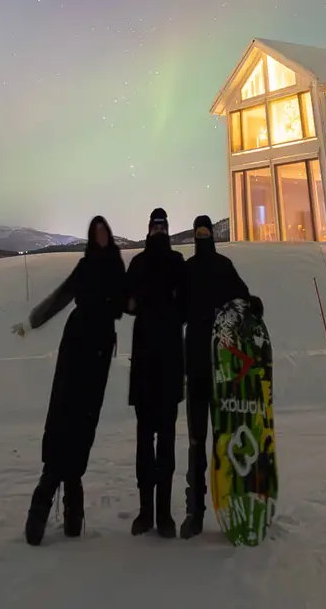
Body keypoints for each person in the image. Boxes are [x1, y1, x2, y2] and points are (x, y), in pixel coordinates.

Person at [12, 214, 126, 544]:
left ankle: (71, 498)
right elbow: (61, 296)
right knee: (63, 409)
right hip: (77, 342)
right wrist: (32, 321)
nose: (101, 236)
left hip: (100, 348)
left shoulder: (116, 266)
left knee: (85, 417)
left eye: (105, 231)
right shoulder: (86, 265)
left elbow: (129, 300)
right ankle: (49, 492)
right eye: (97, 232)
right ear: (92, 236)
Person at [180, 213, 259, 538]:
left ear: (211, 234)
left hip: (223, 366)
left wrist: (252, 305)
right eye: (197, 232)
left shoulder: (224, 267)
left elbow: (241, 298)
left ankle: (231, 507)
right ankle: (195, 511)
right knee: (196, 441)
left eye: (205, 231)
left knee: (225, 438)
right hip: (196, 365)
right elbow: (177, 311)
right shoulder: (187, 270)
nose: (202, 236)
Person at [123, 206, 187, 536]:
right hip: (145, 364)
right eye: (155, 226)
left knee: (167, 442)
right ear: (149, 229)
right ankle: (145, 511)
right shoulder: (138, 263)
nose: (159, 231)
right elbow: (126, 301)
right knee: (144, 441)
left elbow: (187, 303)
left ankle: (164, 514)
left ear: (167, 229)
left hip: (170, 363)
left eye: (163, 226)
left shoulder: (177, 262)